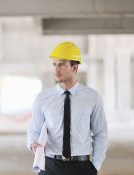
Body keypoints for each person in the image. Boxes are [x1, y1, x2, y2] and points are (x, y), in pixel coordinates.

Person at [27, 42, 108, 175]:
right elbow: (33, 130)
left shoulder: (92, 98)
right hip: (50, 166)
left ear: (74, 67)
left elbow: (100, 134)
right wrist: (32, 143)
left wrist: (95, 166)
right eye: (54, 64)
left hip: (82, 167)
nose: (56, 69)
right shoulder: (42, 98)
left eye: (62, 64)